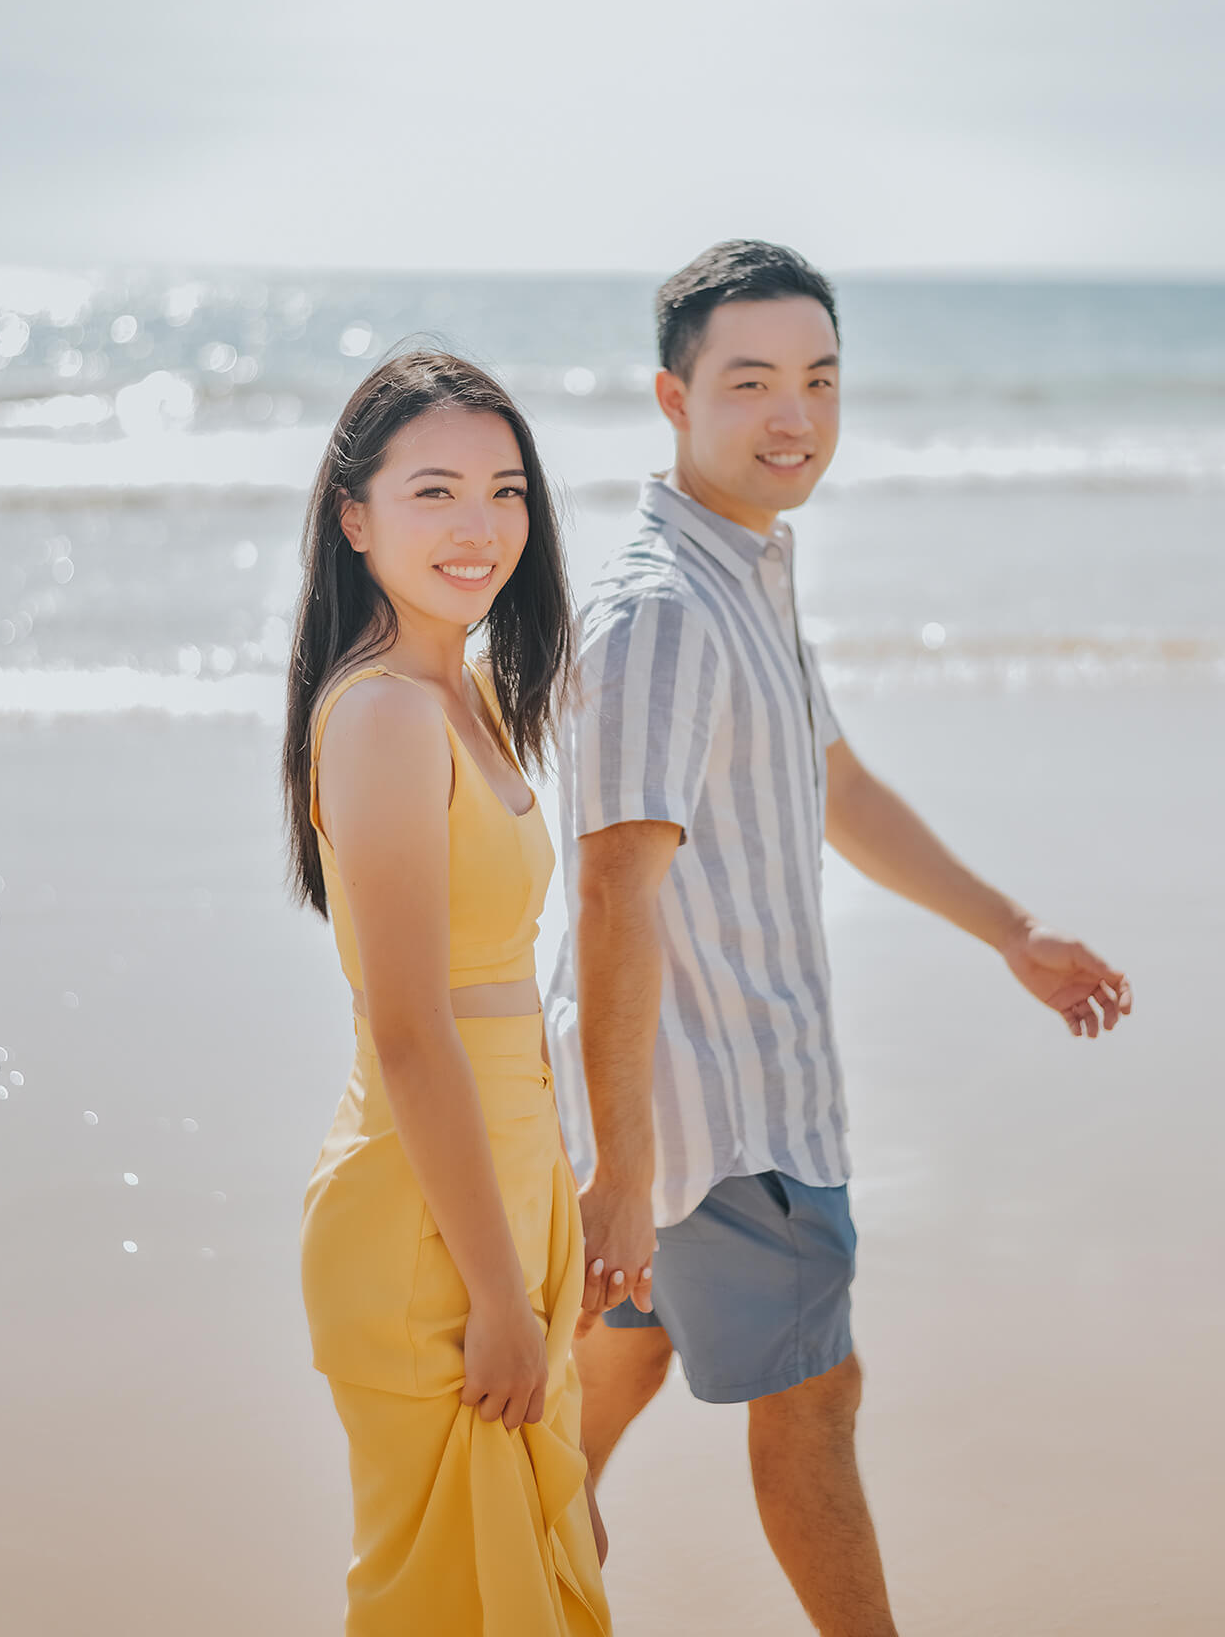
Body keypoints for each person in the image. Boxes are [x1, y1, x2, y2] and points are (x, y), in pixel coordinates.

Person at [545, 240, 1133, 1637]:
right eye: (749, 381)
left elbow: (837, 785)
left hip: (693, 1112)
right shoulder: (664, 614)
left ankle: (519, 1587)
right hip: (719, 1119)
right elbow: (614, 892)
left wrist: (1014, 930)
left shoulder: (746, 569)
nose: (792, 412)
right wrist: (625, 1172)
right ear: (672, 400)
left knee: (593, 1399)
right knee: (817, 1400)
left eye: (818, 377)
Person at [285, 349, 612, 1637]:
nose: (480, 529)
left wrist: (548, 1233)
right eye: (434, 493)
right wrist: (492, 1295)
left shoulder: (458, 690)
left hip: (499, 1194)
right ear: (354, 517)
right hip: (431, 1231)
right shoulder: (382, 720)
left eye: (506, 490)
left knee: (535, 1579)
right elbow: (413, 1033)